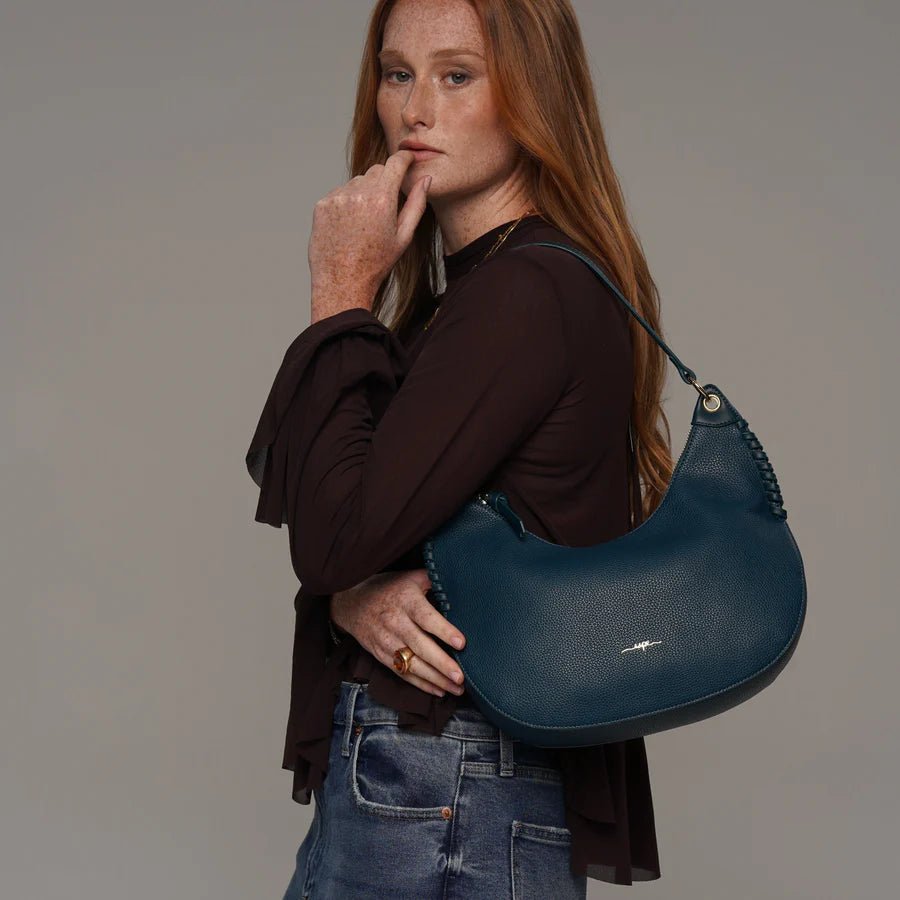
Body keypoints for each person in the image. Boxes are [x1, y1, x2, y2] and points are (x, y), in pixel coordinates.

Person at [246, 0, 676, 894]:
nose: (413, 111)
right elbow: (355, 528)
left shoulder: (520, 294)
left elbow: (333, 538)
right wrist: (350, 592)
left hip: (439, 775)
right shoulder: (497, 292)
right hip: (457, 775)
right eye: (396, 74)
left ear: (533, 95)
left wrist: (339, 293)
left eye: (456, 75)